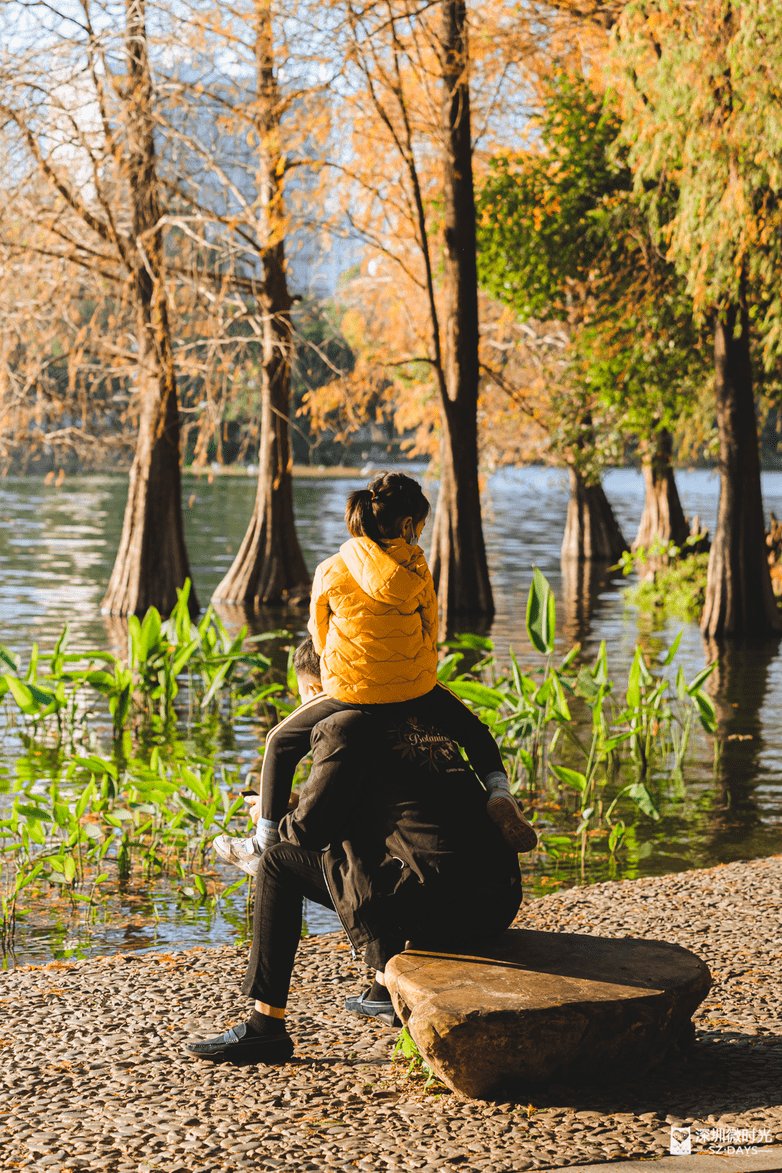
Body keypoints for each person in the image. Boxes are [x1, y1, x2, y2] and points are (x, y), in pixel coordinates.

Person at [186, 647, 522, 1063]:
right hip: (499, 901)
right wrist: (303, 807)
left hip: (440, 913)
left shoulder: (343, 725)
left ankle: (264, 1026)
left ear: (314, 689)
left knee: (276, 863)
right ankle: (383, 988)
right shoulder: (426, 709)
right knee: (382, 837)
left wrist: (277, 814)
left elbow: (308, 834)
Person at [212, 472, 535, 873]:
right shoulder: (417, 567)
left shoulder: (331, 568)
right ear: (406, 526)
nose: (420, 532)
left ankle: (263, 843)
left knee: (279, 742)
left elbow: (319, 635)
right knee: (474, 730)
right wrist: (414, 675)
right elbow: (430, 629)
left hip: (352, 690)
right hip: (416, 686)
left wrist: (342, 672)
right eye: (420, 525)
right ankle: (499, 792)